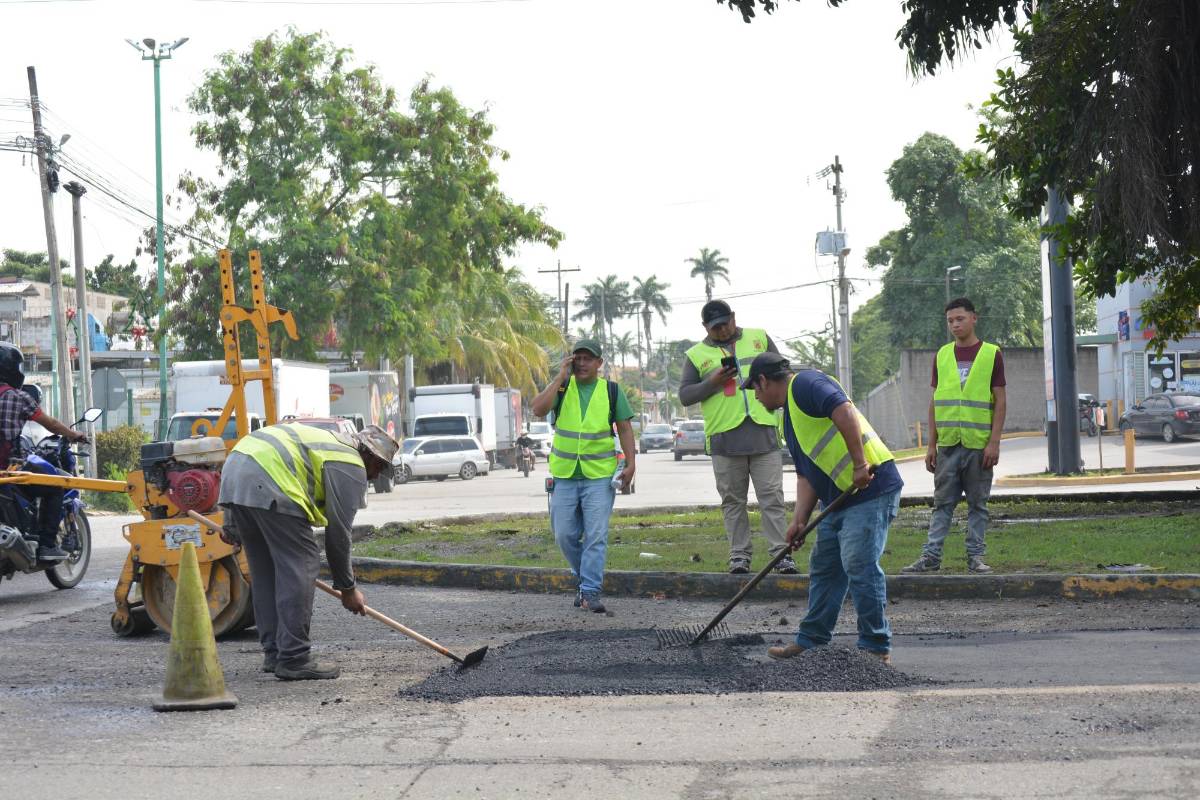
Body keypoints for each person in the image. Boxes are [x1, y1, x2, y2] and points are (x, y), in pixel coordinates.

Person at [742, 352, 903, 663]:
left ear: (763, 380)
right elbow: (807, 475)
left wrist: (859, 463)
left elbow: (842, 410)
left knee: (859, 563)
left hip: (870, 487)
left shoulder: (805, 383)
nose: (757, 397)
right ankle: (812, 640)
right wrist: (799, 520)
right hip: (839, 498)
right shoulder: (787, 418)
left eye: (755, 390)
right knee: (826, 568)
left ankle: (875, 646)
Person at [218, 421, 398, 680]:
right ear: (368, 454)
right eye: (379, 466)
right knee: (302, 562)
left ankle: (275, 653)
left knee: (266, 570)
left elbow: (251, 460)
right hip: (269, 478)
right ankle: (294, 657)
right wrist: (347, 589)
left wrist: (232, 524)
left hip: (237, 467)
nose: (375, 475)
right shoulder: (351, 462)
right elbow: (338, 535)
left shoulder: (330, 444)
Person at [679, 300, 793, 575]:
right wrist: (713, 382)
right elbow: (685, 395)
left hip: (763, 432)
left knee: (772, 498)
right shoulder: (696, 354)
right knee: (733, 502)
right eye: (715, 327)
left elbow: (785, 375)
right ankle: (739, 556)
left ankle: (781, 555)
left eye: (725, 324)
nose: (721, 331)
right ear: (705, 327)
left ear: (733, 317)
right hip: (724, 438)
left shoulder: (758, 337)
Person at [530, 338, 636, 614]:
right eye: (578, 357)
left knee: (596, 536)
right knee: (564, 534)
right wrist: (559, 378)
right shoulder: (563, 388)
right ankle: (584, 581)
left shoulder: (611, 391)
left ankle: (590, 591)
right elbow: (538, 408)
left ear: (599, 363)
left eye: (588, 358)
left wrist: (631, 463)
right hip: (565, 475)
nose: (582, 363)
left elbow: (624, 429)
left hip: (599, 476)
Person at [903, 297, 1006, 575]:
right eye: (950, 320)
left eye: (960, 319)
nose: (955, 324)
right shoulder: (942, 355)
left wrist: (994, 442)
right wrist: (931, 445)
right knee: (942, 504)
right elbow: (934, 401)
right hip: (948, 445)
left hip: (979, 445)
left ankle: (975, 557)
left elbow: (1000, 400)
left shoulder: (991, 354)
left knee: (978, 504)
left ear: (974, 318)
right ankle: (931, 556)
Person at [0, 344, 87, 561]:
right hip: (10, 468)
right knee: (55, 484)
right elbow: (51, 424)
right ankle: (47, 544)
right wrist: (74, 435)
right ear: (13, 369)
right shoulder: (18, 397)